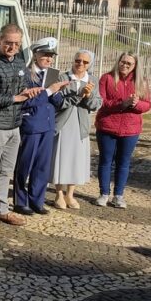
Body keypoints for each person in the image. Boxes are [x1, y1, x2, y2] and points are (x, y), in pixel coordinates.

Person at [0, 24, 42, 230]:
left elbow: (22, 89)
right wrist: (14, 98)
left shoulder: (20, 62)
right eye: (8, 43)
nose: (12, 47)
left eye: (16, 44)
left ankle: (1, 209)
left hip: (14, 125)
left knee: (5, 171)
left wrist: (28, 93)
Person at [13, 37, 69, 216]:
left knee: (42, 167)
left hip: (47, 125)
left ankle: (37, 200)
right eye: (45, 54)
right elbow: (25, 101)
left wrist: (58, 92)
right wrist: (50, 91)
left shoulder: (51, 76)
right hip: (31, 124)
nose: (49, 59)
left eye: (51, 56)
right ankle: (20, 201)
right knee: (25, 165)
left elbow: (57, 103)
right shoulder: (25, 74)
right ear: (36, 54)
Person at [93, 51, 151, 208]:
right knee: (105, 161)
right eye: (122, 61)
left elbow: (148, 104)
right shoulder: (107, 78)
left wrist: (136, 104)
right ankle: (104, 194)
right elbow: (101, 101)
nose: (125, 65)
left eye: (129, 63)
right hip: (107, 126)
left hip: (130, 129)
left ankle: (118, 196)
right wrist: (122, 104)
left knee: (123, 162)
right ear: (118, 61)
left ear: (135, 65)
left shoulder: (141, 82)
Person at [50, 49, 102, 209]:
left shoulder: (93, 80)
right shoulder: (63, 77)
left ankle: (70, 194)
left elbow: (96, 104)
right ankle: (59, 193)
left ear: (89, 64)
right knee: (61, 157)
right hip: (63, 123)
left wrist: (89, 95)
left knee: (75, 159)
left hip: (81, 124)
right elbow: (55, 99)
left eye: (85, 62)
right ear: (73, 61)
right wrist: (79, 93)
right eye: (78, 60)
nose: (81, 64)